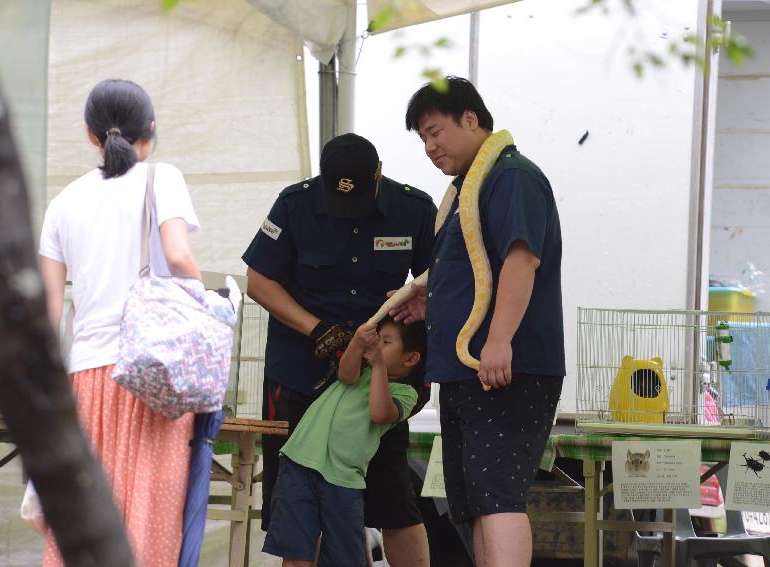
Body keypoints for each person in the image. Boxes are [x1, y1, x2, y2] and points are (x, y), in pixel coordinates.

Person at [391, 76, 565, 567]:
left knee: (498, 496)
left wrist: (500, 340)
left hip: (506, 366)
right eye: (421, 138)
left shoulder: (510, 176)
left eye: (434, 131)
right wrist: (434, 303)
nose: (429, 147)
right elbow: (476, 271)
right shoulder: (468, 188)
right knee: (474, 502)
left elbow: (521, 259)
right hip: (466, 369)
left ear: (471, 119)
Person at [242, 133, 436, 566]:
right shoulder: (294, 204)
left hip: (377, 383)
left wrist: (419, 301)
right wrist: (317, 331)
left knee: (394, 503)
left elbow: (444, 281)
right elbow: (259, 281)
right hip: (300, 376)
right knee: (297, 515)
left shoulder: (414, 209)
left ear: (378, 174)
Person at [38, 79, 202, 566]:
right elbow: (178, 257)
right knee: (149, 519)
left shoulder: (62, 203)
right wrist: (204, 299)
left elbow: (48, 318)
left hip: (87, 377)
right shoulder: (162, 178)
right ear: (149, 131)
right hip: (155, 374)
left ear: (91, 135)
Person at [262, 318, 425, 566]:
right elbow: (345, 374)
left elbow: (380, 413)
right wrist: (358, 342)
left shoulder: (405, 392)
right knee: (295, 551)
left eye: (387, 342)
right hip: (298, 462)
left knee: (344, 557)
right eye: (378, 338)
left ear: (411, 358)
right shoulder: (361, 370)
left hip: (343, 479)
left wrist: (379, 366)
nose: (378, 345)